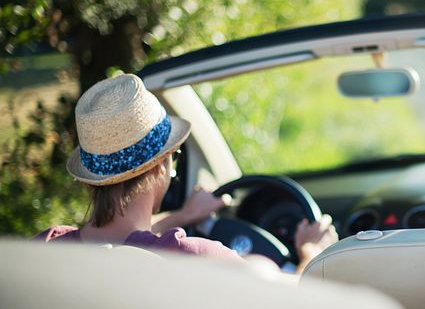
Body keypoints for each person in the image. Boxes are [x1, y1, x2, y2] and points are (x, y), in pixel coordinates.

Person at [35, 74, 337, 273]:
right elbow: (297, 296)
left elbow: (117, 233)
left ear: (92, 181)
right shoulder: (192, 259)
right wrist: (312, 252)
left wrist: (183, 214)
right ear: (160, 166)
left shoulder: (44, 251)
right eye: (174, 157)